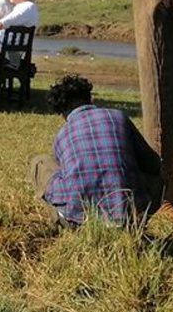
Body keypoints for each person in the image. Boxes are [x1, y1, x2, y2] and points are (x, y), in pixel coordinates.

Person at [30, 74, 164, 228]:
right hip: (130, 216)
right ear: (91, 99)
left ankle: (60, 221)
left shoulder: (61, 135)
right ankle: (131, 224)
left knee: (40, 162)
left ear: (62, 113)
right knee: (160, 174)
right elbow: (153, 164)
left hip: (79, 221)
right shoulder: (118, 117)